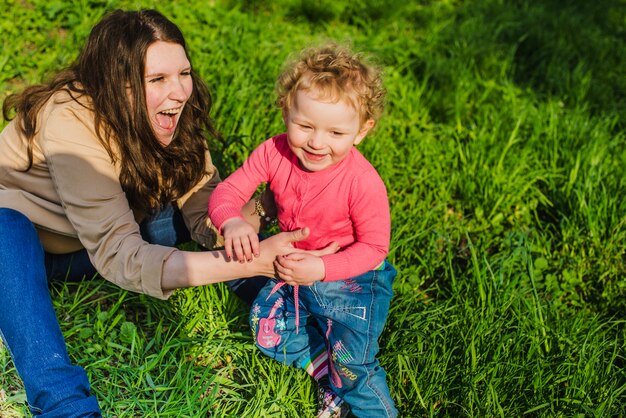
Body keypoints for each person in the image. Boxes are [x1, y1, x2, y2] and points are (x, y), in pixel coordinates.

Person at [0, 9, 331, 417]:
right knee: (4, 231)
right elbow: (118, 254)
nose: (178, 92)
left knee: (212, 225)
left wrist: (245, 217)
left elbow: (199, 196)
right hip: (22, 245)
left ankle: (319, 339)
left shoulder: (169, 109)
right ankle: (66, 407)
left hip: (88, 238)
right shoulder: (69, 120)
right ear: (114, 84)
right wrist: (239, 262)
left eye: (183, 73)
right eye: (156, 79)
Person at [208, 44, 397, 418]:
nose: (316, 142)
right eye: (305, 125)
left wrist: (322, 270)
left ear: (362, 131)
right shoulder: (274, 152)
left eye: (336, 132)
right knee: (269, 329)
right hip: (296, 268)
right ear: (285, 111)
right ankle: (327, 374)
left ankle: (365, 401)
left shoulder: (362, 182)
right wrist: (231, 220)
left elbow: (375, 247)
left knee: (353, 366)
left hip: (351, 283)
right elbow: (228, 192)